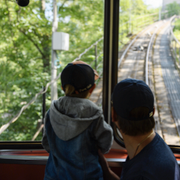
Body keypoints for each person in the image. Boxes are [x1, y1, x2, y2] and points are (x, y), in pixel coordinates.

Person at [42, 61, 113, 180]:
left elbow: (46, 144)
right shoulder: (94, 114)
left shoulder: (51, 112)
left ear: (62, 88)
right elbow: (106, 143)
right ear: (93, 88)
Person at [98, 78, 180, 180]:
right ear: (153, 112)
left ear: (113, 114)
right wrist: (106, 171)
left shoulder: (141, 173)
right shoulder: (156, 145)